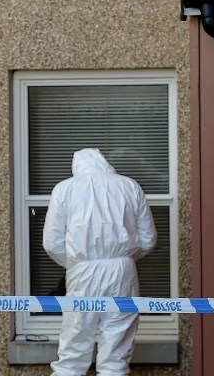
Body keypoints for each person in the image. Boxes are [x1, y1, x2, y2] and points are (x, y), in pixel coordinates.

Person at [43, 148, 157, 376]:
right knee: (116, 353)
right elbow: (148, 239)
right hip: (123, 273)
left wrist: (76, 262)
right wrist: (124, 257)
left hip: (82, 272)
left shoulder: (65, 189)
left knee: (73, 350)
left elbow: (52, 243)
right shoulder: (129, 186)